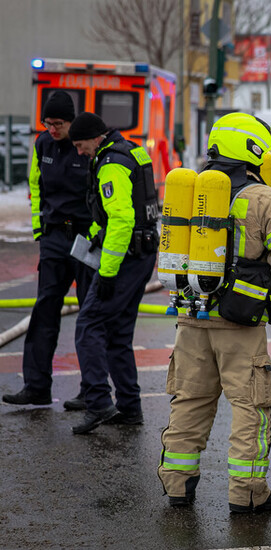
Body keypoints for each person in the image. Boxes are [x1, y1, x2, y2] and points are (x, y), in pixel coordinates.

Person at [158, 113, 271, 513]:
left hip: (191, 314)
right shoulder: (262, 197)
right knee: (249, 405)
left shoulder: (192, 193)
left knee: (189, 400)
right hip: (239, 323)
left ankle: (177, 485)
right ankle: (248, 494)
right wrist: (265, 287)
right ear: (254, 150)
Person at [67, 112, 158, 434]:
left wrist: (106, 273)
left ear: (95, 137)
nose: (79, 152)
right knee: (118, 333)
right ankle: (130, 408)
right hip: (142, 253)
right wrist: (94, 235)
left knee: (88, 325)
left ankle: (98, 403)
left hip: (125, 258)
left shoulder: (111, 164)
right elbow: (123, 212)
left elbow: (121, 220)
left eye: (80, 145)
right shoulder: (130, 150)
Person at [2, 92, 93, 409]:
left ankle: (91, 391)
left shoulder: (87, 147)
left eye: (58, 124)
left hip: (86, 238)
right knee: (44, 311)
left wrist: (97, 235)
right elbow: (36, 186)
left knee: (90, 314)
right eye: (47, 123)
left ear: (71, 121)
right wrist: (41, 230)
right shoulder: (43, 145)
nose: (52, 129)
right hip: (55, 236)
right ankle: (36, 386)